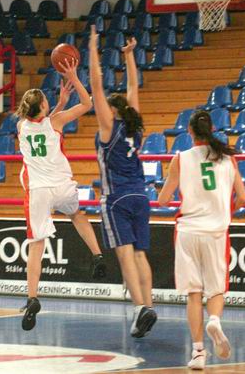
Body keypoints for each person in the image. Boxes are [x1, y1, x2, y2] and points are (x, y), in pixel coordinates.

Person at [16, 59, 106, 331]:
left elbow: (42, 122)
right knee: (76, 214)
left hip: (39, 191)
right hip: (62, 184)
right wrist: (74, 79)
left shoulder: (21, 126)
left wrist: (57, 105)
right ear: (44, 107)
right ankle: (97, 255)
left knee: (36, 244)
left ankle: (32, 298)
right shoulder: (57, 121)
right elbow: (87, 104)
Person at [158, 110, 245, 369]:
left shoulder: (180, 158)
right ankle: (215, 321)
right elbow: (242, 198)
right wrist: (224, 212)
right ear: (212, 129)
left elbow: (163, 199)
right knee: (216, 289)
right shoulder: (228, 159)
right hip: (216, 231)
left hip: (188, 231)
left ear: (189, 131)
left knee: (193, 293)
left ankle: (198, 352)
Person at [88, 25, 157, 338]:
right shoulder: (135, 127)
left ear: (112, 111)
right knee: (140, 254)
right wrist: (129, 56)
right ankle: (149, 305)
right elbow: (133, 87)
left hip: (116, 198)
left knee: (125, 254)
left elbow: (96, 84)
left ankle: (140, 307)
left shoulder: (109, 127)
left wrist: (93, 49)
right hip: (141, 196)